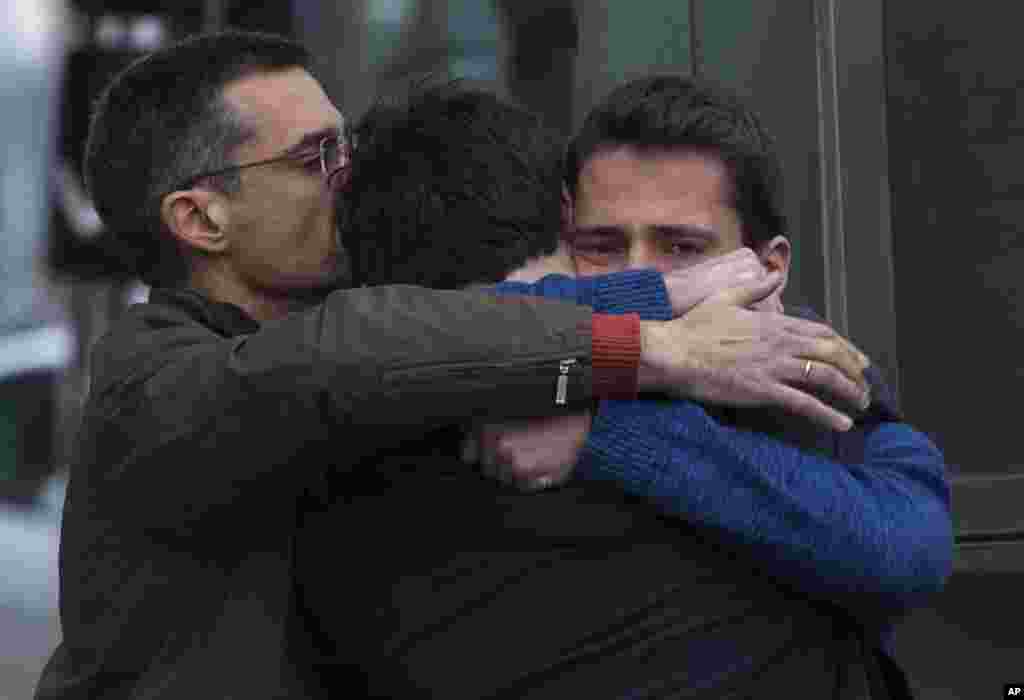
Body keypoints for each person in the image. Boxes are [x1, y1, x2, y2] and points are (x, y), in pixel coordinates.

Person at [32, 32, 872, 700]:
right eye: (317, 157)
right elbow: (349, 354)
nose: (351, 175)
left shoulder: (399, 327)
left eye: (348, 144)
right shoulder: (151, 382)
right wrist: (653, 336)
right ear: (200, 218)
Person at [299, 78, 950, 698]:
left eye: (682, 247)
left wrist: (603, 432)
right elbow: (452, 322)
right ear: (560, 229)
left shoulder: (793, 384)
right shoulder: (426, 387)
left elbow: (909, 542)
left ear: (767, 268)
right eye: (602, 245)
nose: (639, 272)